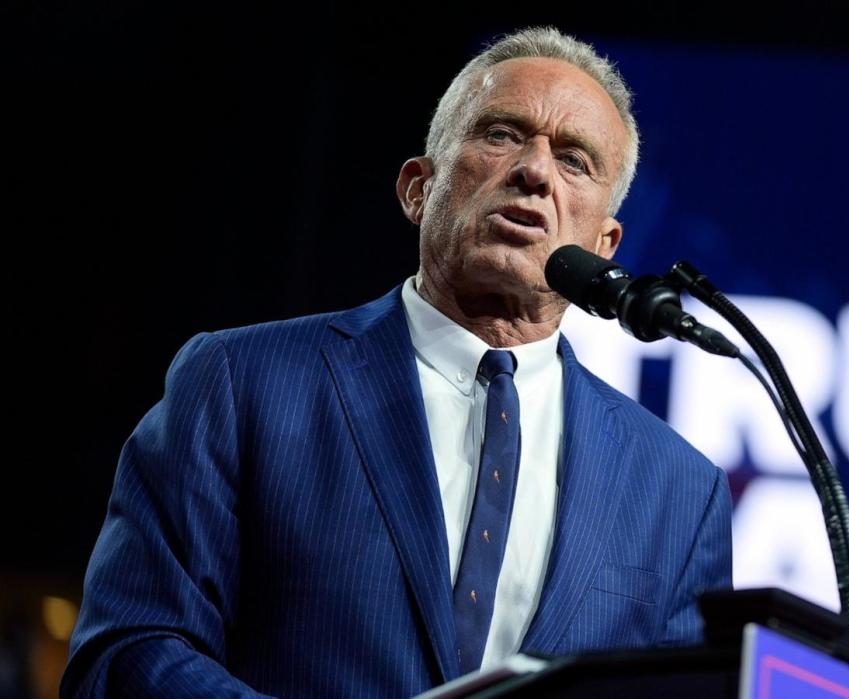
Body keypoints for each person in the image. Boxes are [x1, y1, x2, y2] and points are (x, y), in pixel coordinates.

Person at [62, 26, 732, 698]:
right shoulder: (242, 384)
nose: (534, 171)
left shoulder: (678, 490)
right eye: (501, 134)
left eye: (574, 161)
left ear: (605, 244)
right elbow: (129, 651)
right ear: (418, 189)